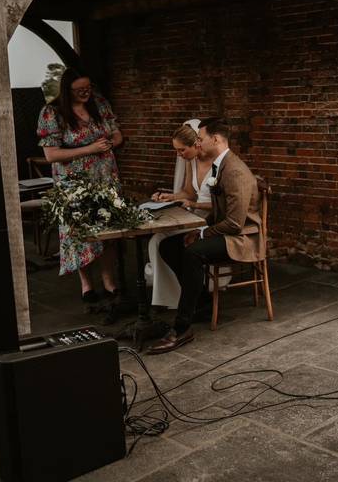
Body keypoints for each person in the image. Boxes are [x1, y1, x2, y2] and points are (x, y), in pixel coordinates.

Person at [148, 117, 263, 353]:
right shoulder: (218, 166)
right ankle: (200, 302)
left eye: (200, 138)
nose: (198, 143)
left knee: (192, 252)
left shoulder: (234, 170)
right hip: (225, 230)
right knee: (168, 246)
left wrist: (200, 233)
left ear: (216, 139)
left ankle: (182, 329)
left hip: (242, 238)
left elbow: (234, 223)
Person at [37, 68, 124, 308]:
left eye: (88, 88)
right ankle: (87, 285)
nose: (86, 93)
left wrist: (111, 143)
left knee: (108, 231)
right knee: (80, 234)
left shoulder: (99, 104)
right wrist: (90, 149)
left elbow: (117, 134)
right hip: (74, 184)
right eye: (79, 90)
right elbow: (51, 154)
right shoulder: (52, 112)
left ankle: (109, 281)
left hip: (106, 179)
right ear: (67, 90)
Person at [144, 120, 215, 309]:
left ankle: (191, 295)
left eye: (181, 150)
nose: (179, 155)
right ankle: (169, 297)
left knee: (167, 244)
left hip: (209, 219)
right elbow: (189, 193)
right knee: (156, 240)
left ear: (196, 144)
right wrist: (170, 196)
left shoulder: (217, 165)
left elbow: (220, 205)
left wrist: (192, 204)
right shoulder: (192, 162)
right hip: (194, 216)